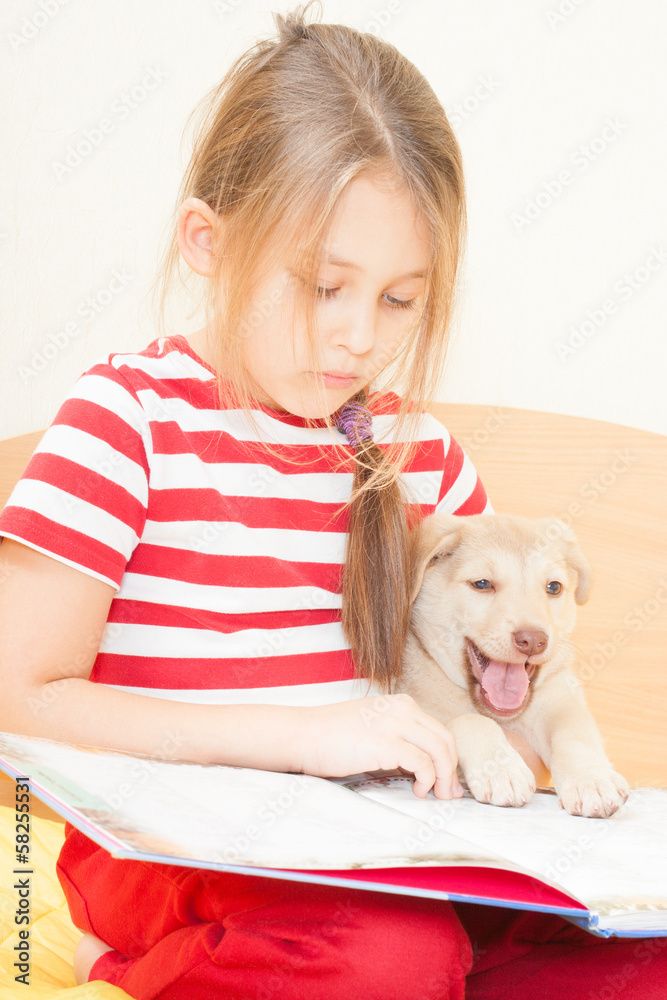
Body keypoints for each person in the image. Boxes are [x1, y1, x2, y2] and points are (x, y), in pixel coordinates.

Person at [0, 4, 665, 998]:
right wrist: (307, 736)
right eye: (322, 286)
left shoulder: (419, 459)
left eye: (400, 299)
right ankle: (148, 967)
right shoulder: (125, 420)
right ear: (208, 242)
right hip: (166, 851)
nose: (360, 337)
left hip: (382, 848)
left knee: (635, 955)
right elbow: (18, 693)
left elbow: (496, 682)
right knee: (385, 955)